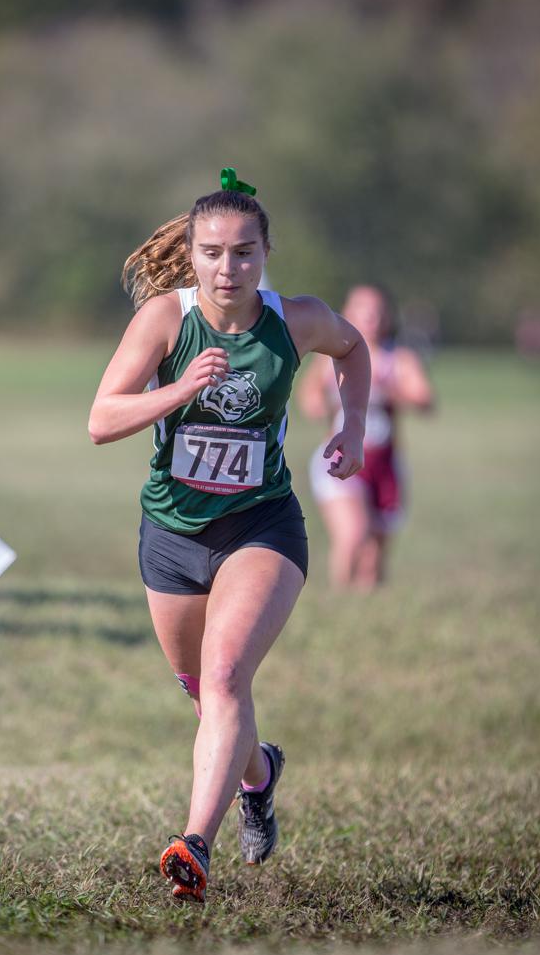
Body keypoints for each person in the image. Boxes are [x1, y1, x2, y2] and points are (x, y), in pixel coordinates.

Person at [88, 169, 370, 903]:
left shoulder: (295, 319)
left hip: (262, 526)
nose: (228, 267)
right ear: (191, 250)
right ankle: (261, 775)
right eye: (212, 251)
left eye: (244, 252)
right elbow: (101, 421)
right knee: (204, 694)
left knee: (224, 679)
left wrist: (356, 425)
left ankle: (195, 845)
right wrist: (181, 387)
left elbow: (354, 348)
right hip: (172, 536)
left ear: (266, 252)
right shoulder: (164, 321)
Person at [298, 284, 434, 590]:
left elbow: (425, 400)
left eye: (377, 312)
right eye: (363, 310)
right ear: (347, 314)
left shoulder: (397, 359)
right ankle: (339, 604)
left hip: (384, 460)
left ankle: (366, 614)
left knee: (374, 555)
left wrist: (388, 388)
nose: (370, 318)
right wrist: (331, 402)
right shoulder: (330, 358)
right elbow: (309, 400)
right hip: (339, 456)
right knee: (352, 535)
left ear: (386, 318)